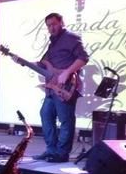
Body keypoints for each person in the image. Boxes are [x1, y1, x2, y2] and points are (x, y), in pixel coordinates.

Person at [33, 12, 89, 163]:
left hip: (66, 87)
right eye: (48, 26)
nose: (51, 28)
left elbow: (83, 58)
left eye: (54, 24)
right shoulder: (52, 43)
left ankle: (62, 153)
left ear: (62, 22)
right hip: (52, 88)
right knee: (45, 114)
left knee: (66, 120)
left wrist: (67, 72)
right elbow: (46, 65)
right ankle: (51, 150)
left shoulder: (71, 38)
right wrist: (26, 63)